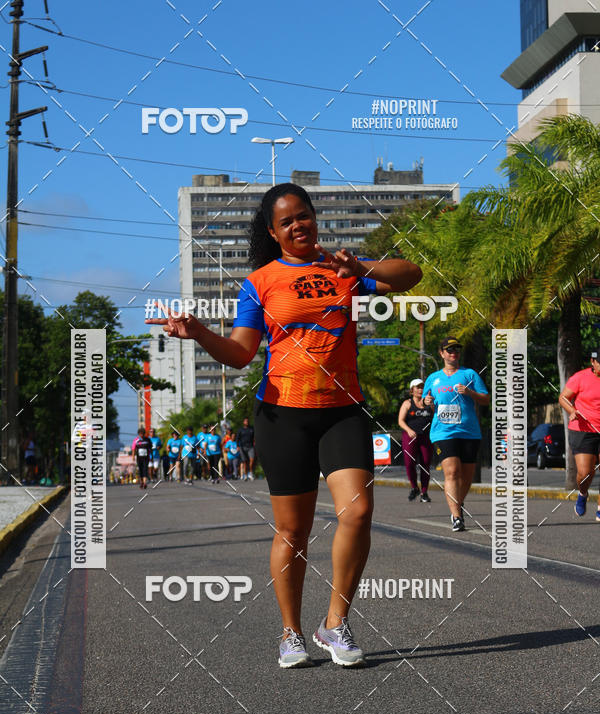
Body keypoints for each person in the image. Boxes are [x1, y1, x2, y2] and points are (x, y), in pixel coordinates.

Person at [149, 182, 422, 668]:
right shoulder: (260, 283)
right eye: (287, 221)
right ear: (274, 233)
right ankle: (290, 632)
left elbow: (412, 274)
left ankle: (334, 623)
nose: (299, 225)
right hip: (284, 415)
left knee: (357, 515)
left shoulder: (344, 269)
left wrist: (361, 268)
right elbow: (239, 354)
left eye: (304, 215)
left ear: (315, 217)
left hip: (342, 409)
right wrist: (198, 332)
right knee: (292, 532)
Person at [424, 337, 489, 532]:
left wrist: (470, 393)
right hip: (442, 432)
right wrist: (427, 401)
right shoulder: (433, 378)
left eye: (457, 350)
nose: (454, 353)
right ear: (441, 353)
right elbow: (426, 400)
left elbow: (486, 399)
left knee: (466, 477)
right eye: (449, 350)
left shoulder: (469, 374)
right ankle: (457, 516)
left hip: (469, 431)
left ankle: (457, 504)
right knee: (452, 472)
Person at [559, 348, 600, 520]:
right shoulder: (580, 377)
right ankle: (583, 494)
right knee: (585, 473)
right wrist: (572, 410)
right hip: (583, 429)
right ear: (593, 362)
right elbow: (563, 398)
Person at [398, 378, 433, 502]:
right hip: (410, 436)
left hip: (425, 437)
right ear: (412, 390)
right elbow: (400, 420)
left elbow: (435, 418)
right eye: (417, 387)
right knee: (409, 463)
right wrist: (408, 430)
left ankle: (424, 492)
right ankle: (414, 487)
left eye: (422, 387)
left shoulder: (430, 403)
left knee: (426, 464)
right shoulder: (407, 403)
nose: (420, 389)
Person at [238, 416, 256, 481]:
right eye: (245, 421)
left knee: (252, 460)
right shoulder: (241, 430)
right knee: (245, 462)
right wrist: (238, 446)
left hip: (250, 447)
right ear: (243, 422)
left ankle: (250, 473)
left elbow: (255, 436)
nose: (247, 422)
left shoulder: (251, 429)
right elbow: (238, 438)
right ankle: (245, 475)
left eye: (248, 421)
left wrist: (255, 442)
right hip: (243, 447)